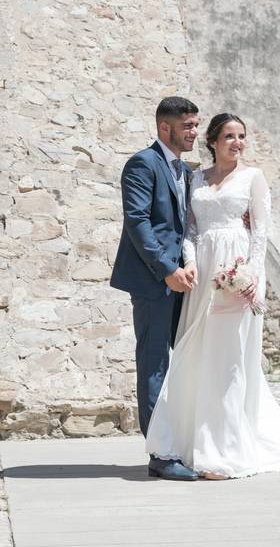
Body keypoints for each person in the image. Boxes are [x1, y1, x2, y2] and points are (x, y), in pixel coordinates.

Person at [145, 113, 280, 480]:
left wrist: (251, 277)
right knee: (196, 357)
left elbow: (261, 233)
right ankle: (188, 445)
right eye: (229, 136)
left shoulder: (253, 178)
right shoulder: (196, 178)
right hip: (203, 279)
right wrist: (191, 263)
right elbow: (190, 231)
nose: (237, 142)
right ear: (213, 141)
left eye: (242, 136)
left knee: (229, 362)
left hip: (238, 273)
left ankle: (225, 452)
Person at [110, 96, 201, 481]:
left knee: (184, 361)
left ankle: (181, 442)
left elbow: (181, 226)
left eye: (196, 125)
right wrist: (166, 270)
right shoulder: (142, 164)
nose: (195, 132)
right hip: (153, 282)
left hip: (183, 280)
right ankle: (160, 455)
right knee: (154, 365)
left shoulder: (183, 169)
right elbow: (138, 222)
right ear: (166, 128)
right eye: (188, 126)